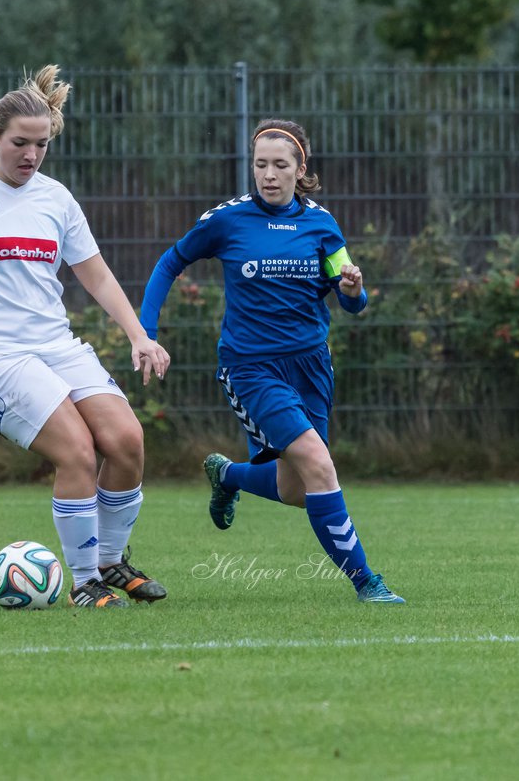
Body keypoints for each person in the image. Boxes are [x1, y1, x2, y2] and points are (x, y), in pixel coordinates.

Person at [0, 66, 172, 608]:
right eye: (19, 143)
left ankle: (111, 563)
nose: (30, 155)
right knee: (76, 451)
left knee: (126, 441)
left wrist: (139, 336)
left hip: (56, 347)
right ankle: (83, 584)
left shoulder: (57, 199)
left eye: (41, 144)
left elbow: (95, 273)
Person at [139, 119, 405, 604]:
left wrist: (352, 289)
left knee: (299, 489)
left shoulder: (322, 226)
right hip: (252, 369)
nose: (268, 174)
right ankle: (368, 582)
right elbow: (168, 264)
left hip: (310, 368)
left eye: (280, 165)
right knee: (320, 466)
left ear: (300, 169)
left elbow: (351, 302)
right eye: (260, 164)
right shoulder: (229, 220)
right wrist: (146, 334)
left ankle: (229, 475)